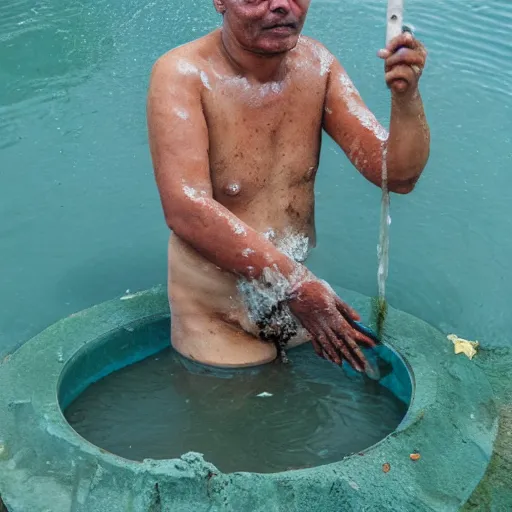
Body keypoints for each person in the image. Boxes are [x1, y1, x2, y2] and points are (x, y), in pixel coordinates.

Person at [146, 0, 430, 372]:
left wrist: (405, 97)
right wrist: (297, 285)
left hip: (294, 305)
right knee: (243, 417)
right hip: (220, 318)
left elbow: (396, 176)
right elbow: (186, 209)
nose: (281, 6)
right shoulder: (182, 74)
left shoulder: (318, 66)